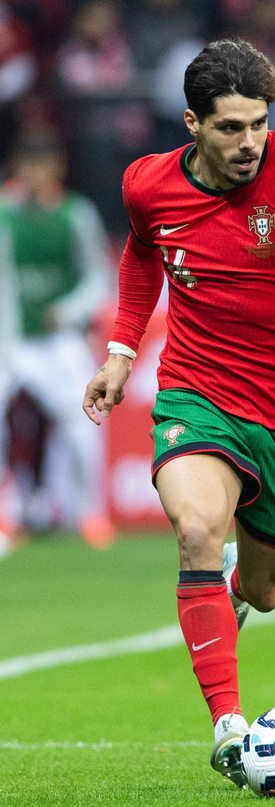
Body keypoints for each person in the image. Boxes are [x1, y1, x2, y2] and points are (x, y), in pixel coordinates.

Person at [83, 38, 275, 788]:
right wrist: (124, 350)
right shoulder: (146, 185)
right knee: (196, 527)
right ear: (192, 122)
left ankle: (231, 585)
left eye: (258, 122)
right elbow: (140, 255)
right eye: (230, 127)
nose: (249, 141)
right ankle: (229, 724)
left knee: (265, 590)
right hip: (195, 392)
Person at [0, 131, 114, 551]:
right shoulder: (5, 216)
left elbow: (98, 279)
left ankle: (91, 512)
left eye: (40, 167)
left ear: (56, 170)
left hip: (58, 339)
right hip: (11, 340)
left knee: (85, 423)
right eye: (25, 168)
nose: (32, 176)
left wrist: (68, 310)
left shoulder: (75, 215)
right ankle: (7, 514)